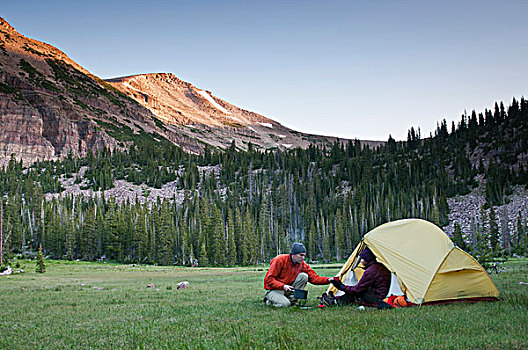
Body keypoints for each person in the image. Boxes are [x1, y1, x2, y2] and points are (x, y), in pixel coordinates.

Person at [264, 243, 332, 307]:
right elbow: (269, 280)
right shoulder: (279, 260)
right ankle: (269, 300)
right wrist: (283, 286)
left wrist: (328, 280)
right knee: (285, 304)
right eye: (301, 255)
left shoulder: (302, 264)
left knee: (304, 276)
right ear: (293, 254)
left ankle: (292, 299)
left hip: (288, 288)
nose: (303, 258)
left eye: (304, 255)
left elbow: (313, 277)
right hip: (274, 289)